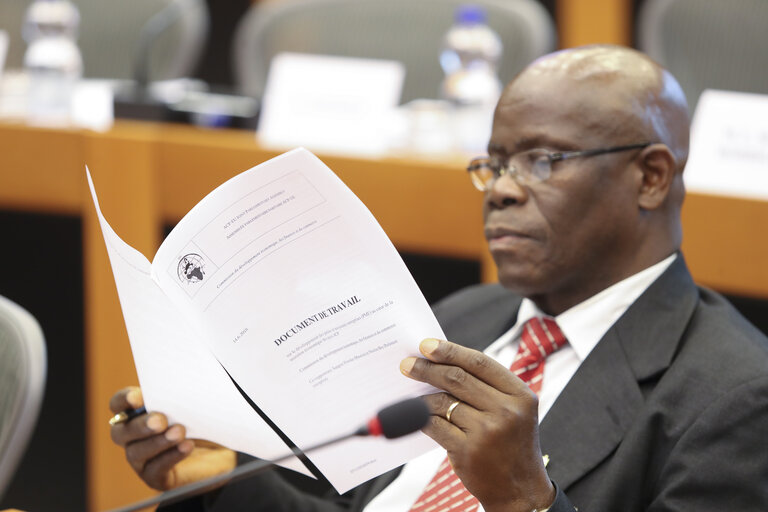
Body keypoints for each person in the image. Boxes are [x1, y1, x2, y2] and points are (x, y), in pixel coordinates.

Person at [109, 45, 768, 511]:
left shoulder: (737, 396)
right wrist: (221, 481)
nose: (501, 191)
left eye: (541, 161)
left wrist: (521, 500)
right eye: (495, 163)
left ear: (650, 177)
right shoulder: (466, 319)